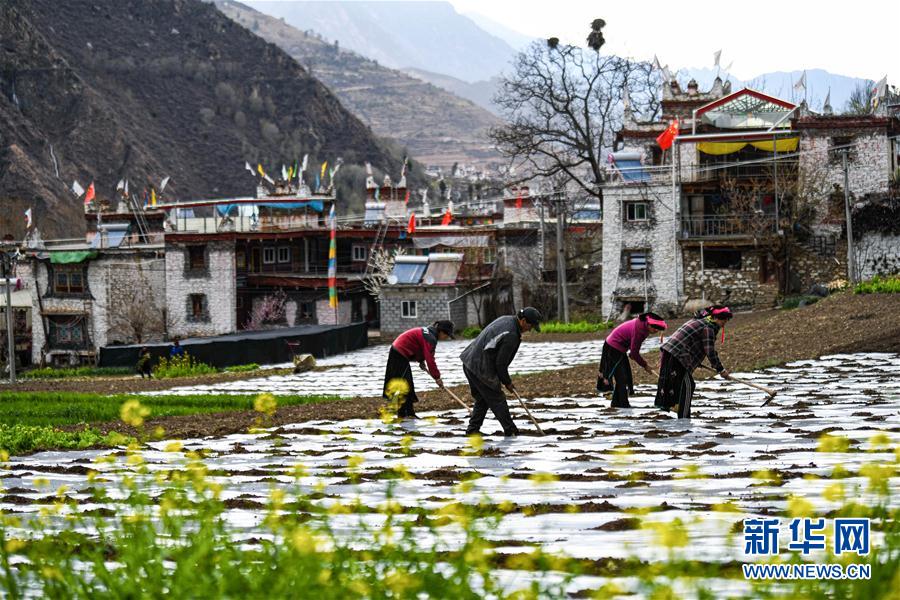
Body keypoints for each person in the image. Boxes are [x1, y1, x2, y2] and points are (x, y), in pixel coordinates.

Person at [461, 307, 543, 437]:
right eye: (530, 325)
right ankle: (511, 430)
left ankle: (472, 430)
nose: (530, 328)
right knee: (497, 399)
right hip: (480, 367)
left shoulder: (506, 319)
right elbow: (500, 364)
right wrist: (507, 382)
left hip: (469, 362)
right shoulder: (511, 335)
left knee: (483, 399)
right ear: (523, 320)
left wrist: (504, 380)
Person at [654, 305, 733, 418]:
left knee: (682, 385)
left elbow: (693, 343)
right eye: (723, 319)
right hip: (677, 355)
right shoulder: (708, 328)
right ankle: (684, 418)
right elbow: (710, 351)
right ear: (715, 317)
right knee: (688, 386)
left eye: (727, 319)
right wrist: (721, 369)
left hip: (672, 353)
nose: (725, 322)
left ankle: (682, 414)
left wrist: (697, 361)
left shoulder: (702, 322)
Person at [383, 320, 455, 418]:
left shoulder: (429, 333)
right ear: (442, 332)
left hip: (400, 351)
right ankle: (403, 414)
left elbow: (421, 347)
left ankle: (409, 413)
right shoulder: (431, 338)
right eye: (447, 335)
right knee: (405, 384)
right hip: (399, 352)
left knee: (408, 384)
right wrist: (437, 377)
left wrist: (421, 361)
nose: (446, 338)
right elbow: (430, 360)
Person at [598, 312, 668, 408]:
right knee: (622, 378)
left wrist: (633, 354)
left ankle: (616, 404)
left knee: (624, 377)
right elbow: (635, 352)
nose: (656, 330)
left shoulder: (644, 328)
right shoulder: (640, 330)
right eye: (654, 327)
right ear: (648, 324)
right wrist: (645, 365)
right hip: (613, 347)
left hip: (620, 348)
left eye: (658, 329)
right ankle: (623, 404)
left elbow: (634, 349)